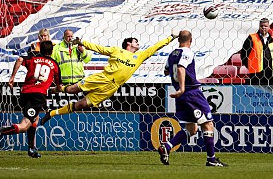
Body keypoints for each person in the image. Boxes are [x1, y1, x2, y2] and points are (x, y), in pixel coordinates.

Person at [40, 29, 179, 125]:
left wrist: (171, 38)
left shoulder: (139, 56)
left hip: (111, 88)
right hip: (102, 78)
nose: (138, 43)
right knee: (71, 90)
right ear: (128, 44)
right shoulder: (116, 51)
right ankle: (55, 89)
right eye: (135, 41)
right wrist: (82, 42)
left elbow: (155, 47)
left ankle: (51, 114)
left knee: (81, 105)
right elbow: (99, 49)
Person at [158, 30, 227, 167]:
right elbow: (181, 69)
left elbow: (166, 71)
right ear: (191, 40)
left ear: (179, 40)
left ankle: (167, 147)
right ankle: (211, 159)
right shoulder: (187, 53)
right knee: (208, 124)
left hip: (182, 96)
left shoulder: (172, 54)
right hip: (192, 94)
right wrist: (183, 87)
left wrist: (179, 87)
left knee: (191, 129)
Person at [0, 41, 62, 158]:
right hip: (37, 96)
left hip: (25, 93)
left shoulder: (33, 58)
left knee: (35, 119)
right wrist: (53, 90)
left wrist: (12, 77)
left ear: (40, 50)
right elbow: (59, 87)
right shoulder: (54, 64)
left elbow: (19, 60)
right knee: (25, 125)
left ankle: (31, 148)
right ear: (52, 51)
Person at [240, 18, 273, 85]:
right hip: (256, 73)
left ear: (269, 27)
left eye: (265, 26)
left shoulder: (272, 39)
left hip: (271, 72)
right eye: (261, 26)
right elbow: (244, 54)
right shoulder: (252, 38)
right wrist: (250, 66)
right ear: (259, 27)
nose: (263, 28)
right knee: (257, 93)